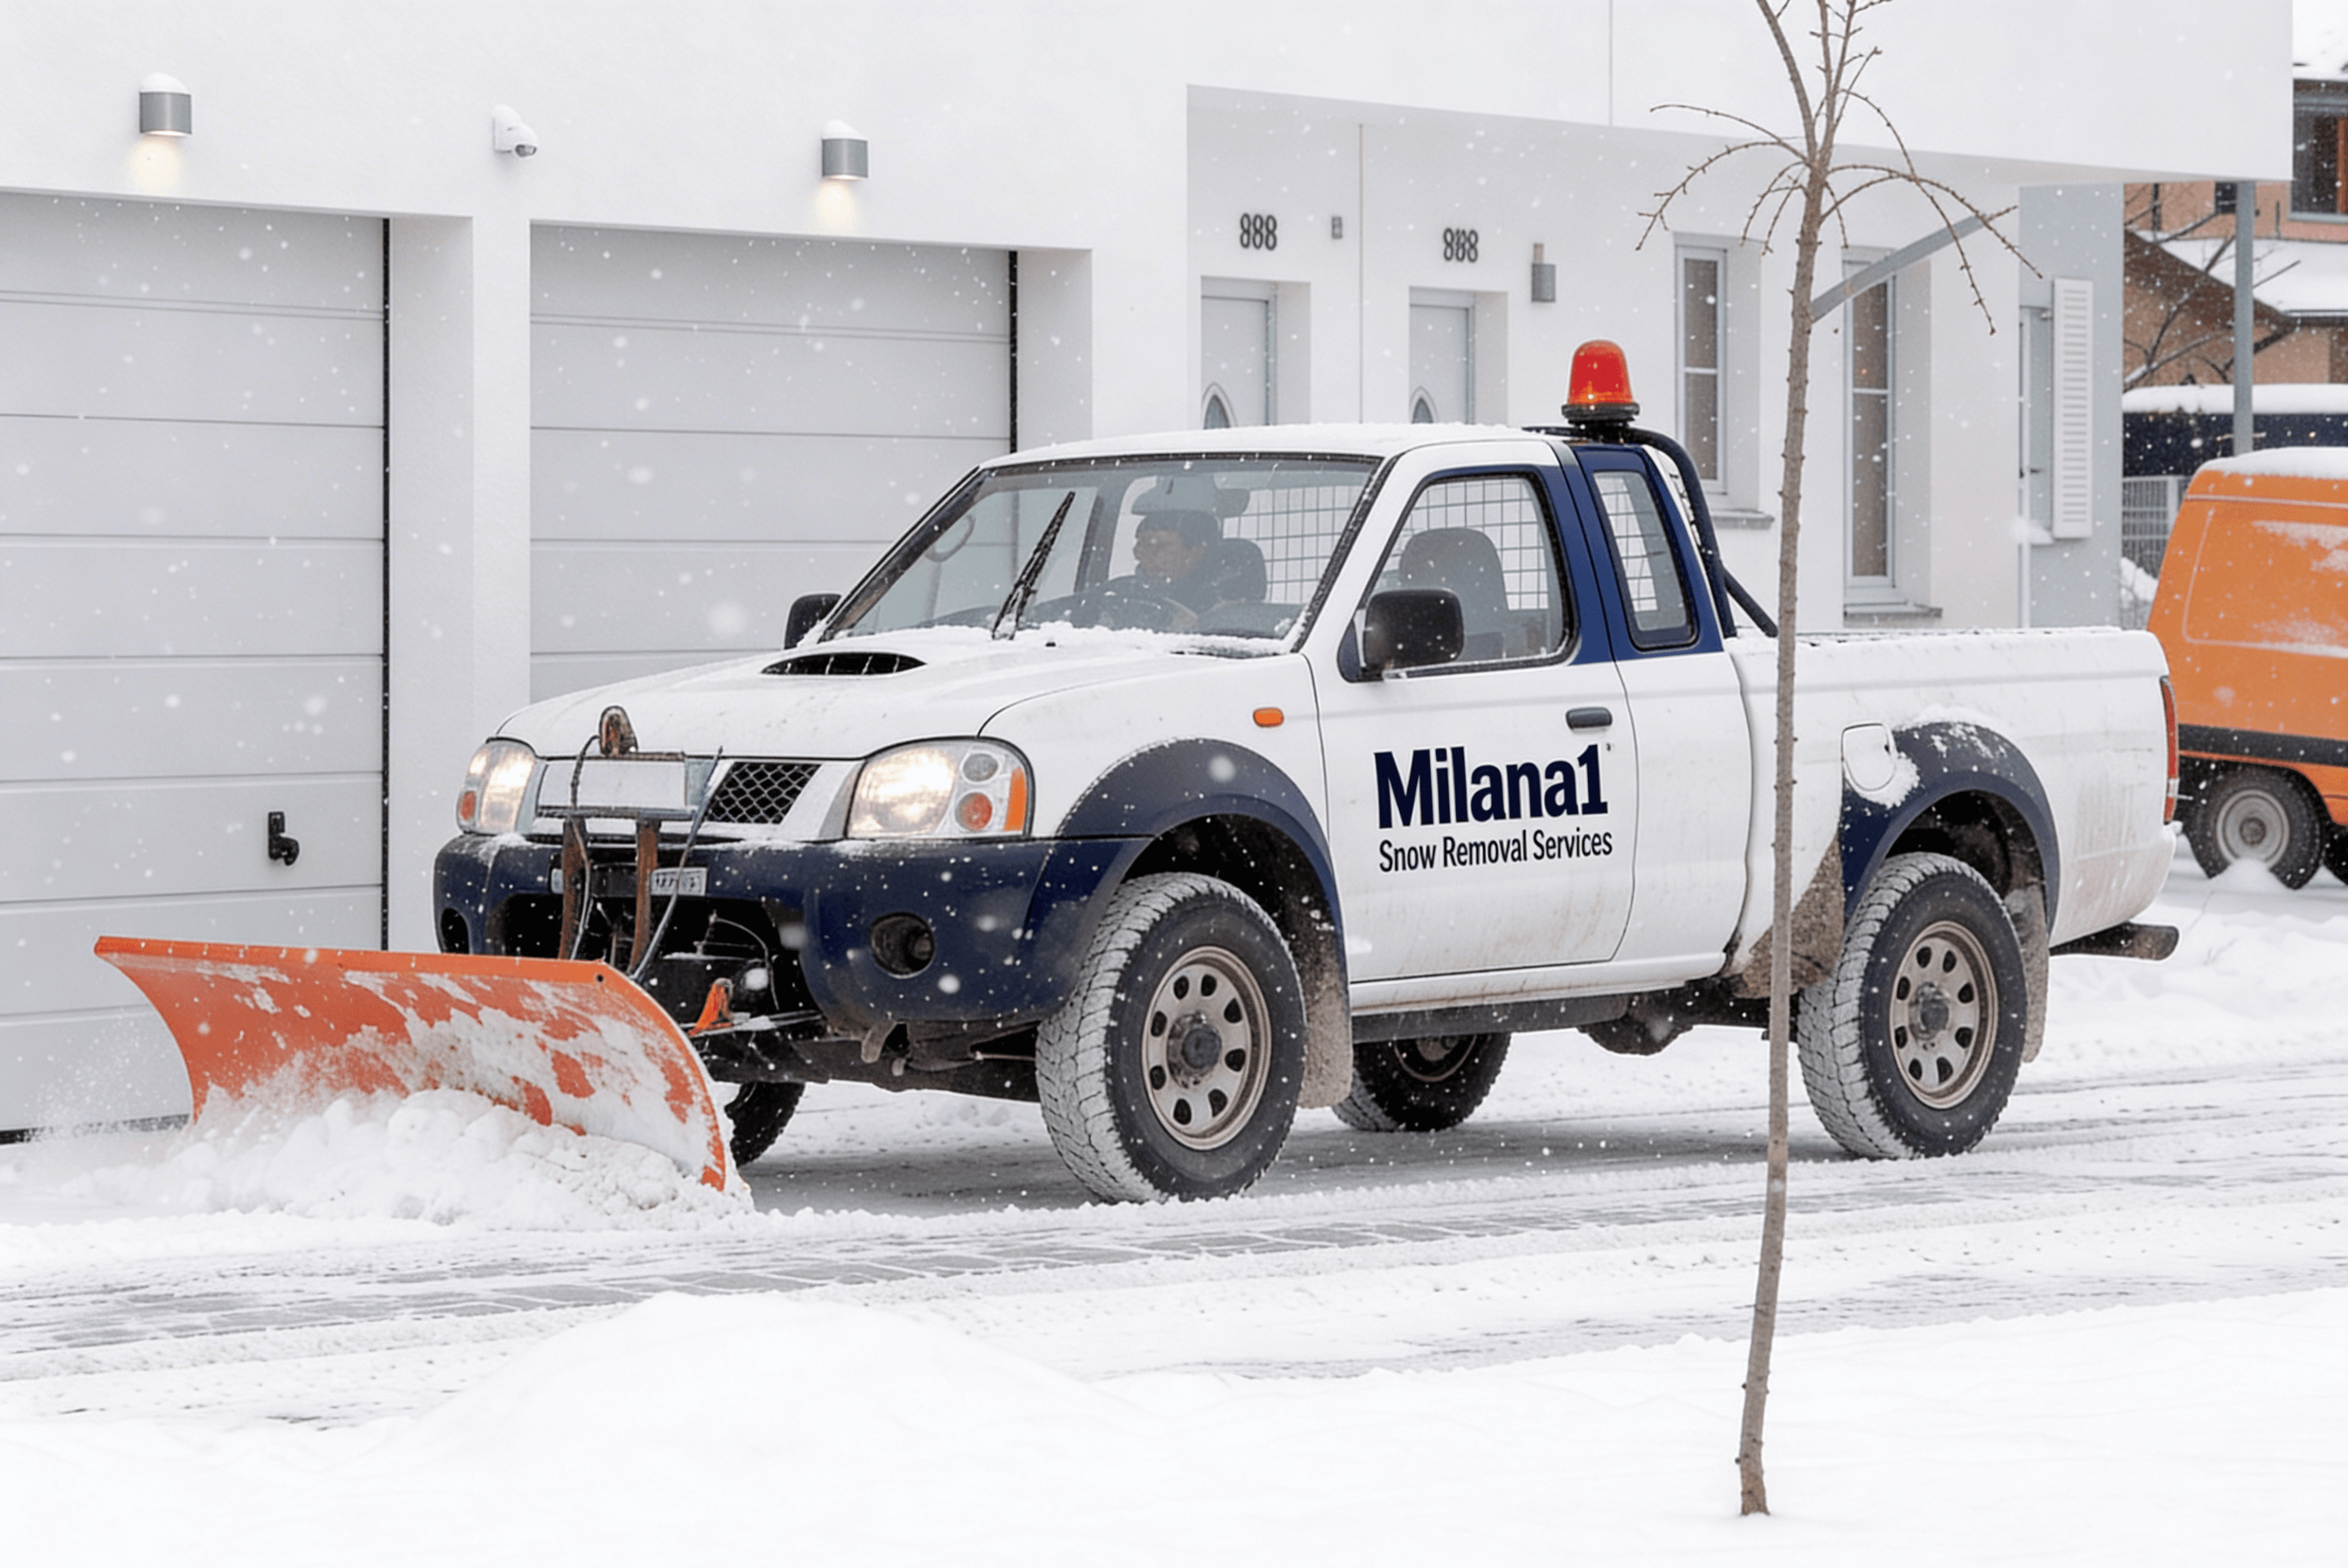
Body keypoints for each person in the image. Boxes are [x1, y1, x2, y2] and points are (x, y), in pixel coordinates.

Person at [1130, 509, 1225, 612]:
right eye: (1140, 546)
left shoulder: (1219, 604)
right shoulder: (1127, 592)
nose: (1141, 554)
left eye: (1160, 547)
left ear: (1196, 552)